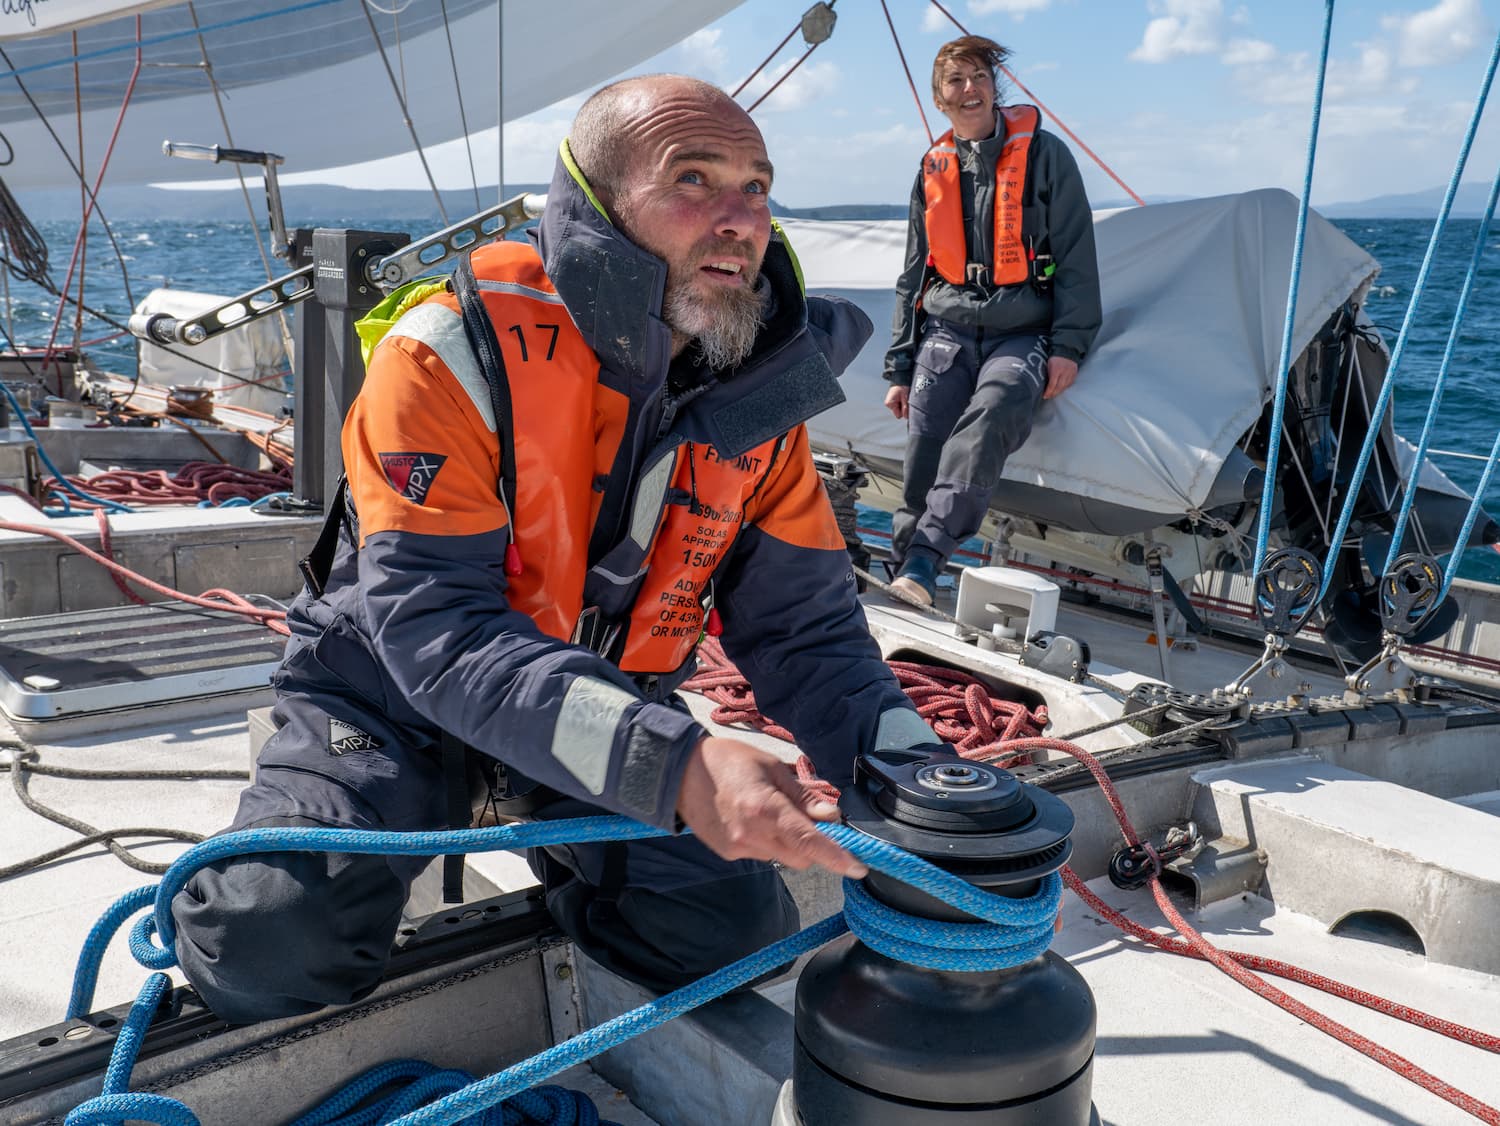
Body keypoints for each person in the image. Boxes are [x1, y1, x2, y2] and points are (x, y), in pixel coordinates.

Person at [170, 74, 947, 1023]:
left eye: (756, 185)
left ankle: (566, 855)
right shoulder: (446, 353)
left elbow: (809, 633)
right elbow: (440, 636)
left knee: (728, 944)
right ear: (602, 207)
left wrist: (921, 774)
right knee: (270, 942)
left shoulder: (765, 398)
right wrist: (675, 768)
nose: (739, 218)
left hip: (596, 707)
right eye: (693, 180)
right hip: (390, 703)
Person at [884, 35, 1102, 606]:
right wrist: (899, 366)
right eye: (956, 80)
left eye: (979, 76)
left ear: (994, 86)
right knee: (927, 436)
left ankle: (926, 562)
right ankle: (903, 567)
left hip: (1022, 330)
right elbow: (913, 274)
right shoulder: (932, 169)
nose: (970, 88)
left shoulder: (1046, 157)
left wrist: (1069, 346)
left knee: (988, 418)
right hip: (948, 328)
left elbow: (1078, 258)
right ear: (939, 99)